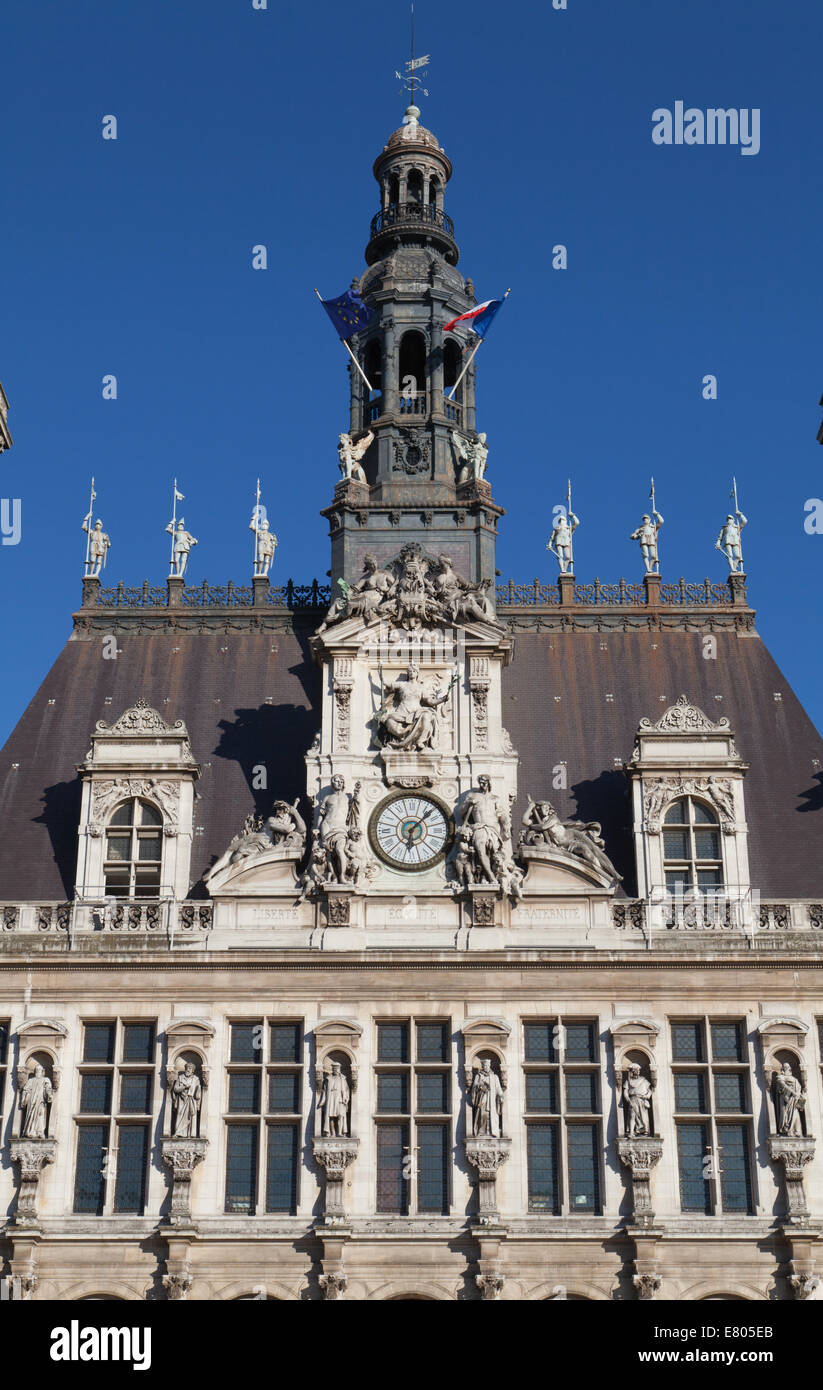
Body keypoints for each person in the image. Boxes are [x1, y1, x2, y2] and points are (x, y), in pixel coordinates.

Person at [376, 662, 456, 752]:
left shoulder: (421, 687)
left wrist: (442, 699)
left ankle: (420, 741)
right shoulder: (402, 684)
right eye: (410, 671)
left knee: (426, 716)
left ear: (417, 673)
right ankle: (403, 740)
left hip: (416, 712)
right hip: (402, 712)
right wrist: (381, 676)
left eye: (414, 671)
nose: (411, 672)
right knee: (389, 721)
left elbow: (430, 701)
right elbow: (388, 683)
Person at [458, 775, 509, 886]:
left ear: (489, 783)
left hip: (493, 828)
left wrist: (506, 827)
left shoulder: (495, 798)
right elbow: (461, 811)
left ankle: (490, 876)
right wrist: (468, 803)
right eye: (480, 782)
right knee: (480, 851)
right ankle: (491, 877)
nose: (482, 785)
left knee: (494, 853)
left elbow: (502, 815)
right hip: (479, 827)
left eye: (484, 782)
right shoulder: (472, 796)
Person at [317, 776, 361, 883]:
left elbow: (355, 807)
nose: (339, 783)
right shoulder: (327, 798)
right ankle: (334, 877)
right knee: (329, 854)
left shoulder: (347, 798)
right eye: (336, 781)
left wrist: (356, 794)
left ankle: (341, 876)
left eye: (341, 781)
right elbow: (321, 815)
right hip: (327, 825)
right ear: (333, 784)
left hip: (341, 828)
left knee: (339, 849)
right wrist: (317, 828)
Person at [470, 1058, 505, 1137]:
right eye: (485, 1065)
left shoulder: (495, 1077)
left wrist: (501, 1095)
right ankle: (481, 1132)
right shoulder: (479, 1076)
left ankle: (493, 1132)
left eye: (488, 1065)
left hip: (492, 1100)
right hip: (483, 1098)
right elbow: (474, 1087)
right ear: (482, 1066)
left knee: (491, 1115)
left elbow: (498, 1088)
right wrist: (480, 1086)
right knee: (483, 1115)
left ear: (489, 1066)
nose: (486, 1067)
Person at [20, 1063, 53, 1139]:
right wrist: (24, 1099)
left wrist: (49, 1095)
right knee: (31, 1115)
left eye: (40, 1070)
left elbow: (48, 1089)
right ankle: (30, 1131)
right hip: (32, 1101)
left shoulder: (45, 1079)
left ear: (42, 1071)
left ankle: (39, 1132)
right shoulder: (31, 1080)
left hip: (41, 1100)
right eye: (37, 1070)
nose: (38, 1071)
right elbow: (26, 1090)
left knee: (40, 1115)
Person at [172, 1062, 202, 1138]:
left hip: (191, 1100)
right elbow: (175, 1089)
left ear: (193, 1070)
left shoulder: (196, 1079)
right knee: (180, 1115)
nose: (188, 1070)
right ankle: (178, 1132)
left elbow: (198, 1093)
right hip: (181, 1100)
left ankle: (190, 1134)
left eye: (190, 1068)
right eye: (187, 1068)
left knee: (191, 1117)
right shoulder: (180, 1077)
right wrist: (184, 1087)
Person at [622, 1063, 653, 1137]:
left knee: (643, 1116)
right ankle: (631, 1132)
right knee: (632, 1116)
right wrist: (628, 1100)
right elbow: (625, 1092)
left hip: (642, 1099)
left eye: (638, 1070)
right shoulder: (628, 1081)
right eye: (636, 1070)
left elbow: (649, 1091)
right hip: (633, 1099)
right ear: (633, 1071)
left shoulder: (643, 1080)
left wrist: (647, 1096)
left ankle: (645, 1130)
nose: (638, 1071)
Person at [774, 1062, 804, 1137]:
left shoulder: (795, 1079)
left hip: (794, 1099)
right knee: (785, 1114)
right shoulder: (780, 1077)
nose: (787, 1068)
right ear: (783, 1069)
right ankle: (786, 1130)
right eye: (785, 1067)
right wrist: (792, 1092)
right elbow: (782, 1085)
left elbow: (799, 1087)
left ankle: (796, 1131)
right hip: (785, 1099)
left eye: (788, 1067)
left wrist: (798, 1094)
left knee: (795, 1114)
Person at [321, 1061, 350, 1137]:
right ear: (332, 1069)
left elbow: (346, 1090)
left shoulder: (343, 1078)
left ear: (339, 1069)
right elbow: (324, 1090)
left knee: (341, 1115)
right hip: (331, 1098)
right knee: (331, 1116)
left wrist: (346, 1098)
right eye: (334, 1068)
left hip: (340, 1099)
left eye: (337, 1068)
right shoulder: (328, 1079)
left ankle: (340, 1132)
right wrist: (323, 1101)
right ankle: (332, 1132)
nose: (336, 1069)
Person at [630, 509, 664, 574]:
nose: (645, 520)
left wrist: (657, 514)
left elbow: (661, 521)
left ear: (649, 519)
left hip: (651, 540)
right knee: (645, 555)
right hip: (643, 539)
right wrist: (636, 536)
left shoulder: (653, 527)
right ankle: (648, 569)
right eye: (644, 519)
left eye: (646, 518)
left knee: (653, 556)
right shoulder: (640, 528)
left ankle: (650, 568)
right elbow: (632, 536)